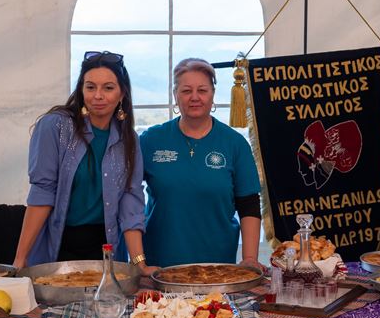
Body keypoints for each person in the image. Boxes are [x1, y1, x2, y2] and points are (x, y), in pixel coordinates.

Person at [13, 51, 156, 276]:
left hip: (107, 249)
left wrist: (140, 264)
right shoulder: (55, 127)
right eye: (90, 87)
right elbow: (42, 192)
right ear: (81, 90)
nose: (98, 95)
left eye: (108, 88)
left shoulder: (129, 140)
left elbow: (131, 202)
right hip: (59, 245)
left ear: (122, 94)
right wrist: (20, 260)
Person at [139, 58, 264, 269]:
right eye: (186, 91)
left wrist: (250, 258)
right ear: (175, 95)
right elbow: (129, 199)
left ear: (212, 94)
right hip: (159, 267)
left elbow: (249, 204)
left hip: (217, 267)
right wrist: (138, 261)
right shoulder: (150, 140)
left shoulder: (235, 144)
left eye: (202, 90)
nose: (195, 97)